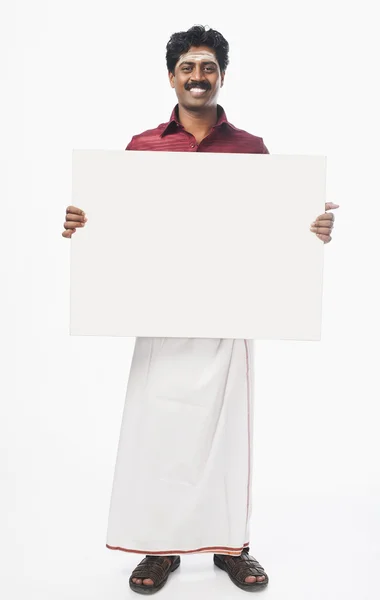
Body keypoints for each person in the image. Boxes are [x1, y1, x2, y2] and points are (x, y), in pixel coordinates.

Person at [62, 25, 339, 594]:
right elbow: (121, 227)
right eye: (187, 67)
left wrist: (309, 228)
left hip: (229, 311)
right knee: (156, 431)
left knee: (226, 433)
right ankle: (158, 548)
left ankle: (230, 544)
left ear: (221, 76)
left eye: (207, 67)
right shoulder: (142, 146)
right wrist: (84, 226)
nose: (197, 76)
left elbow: (273, 231)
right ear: (171, 76)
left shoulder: (250, 149)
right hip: (161, 312)